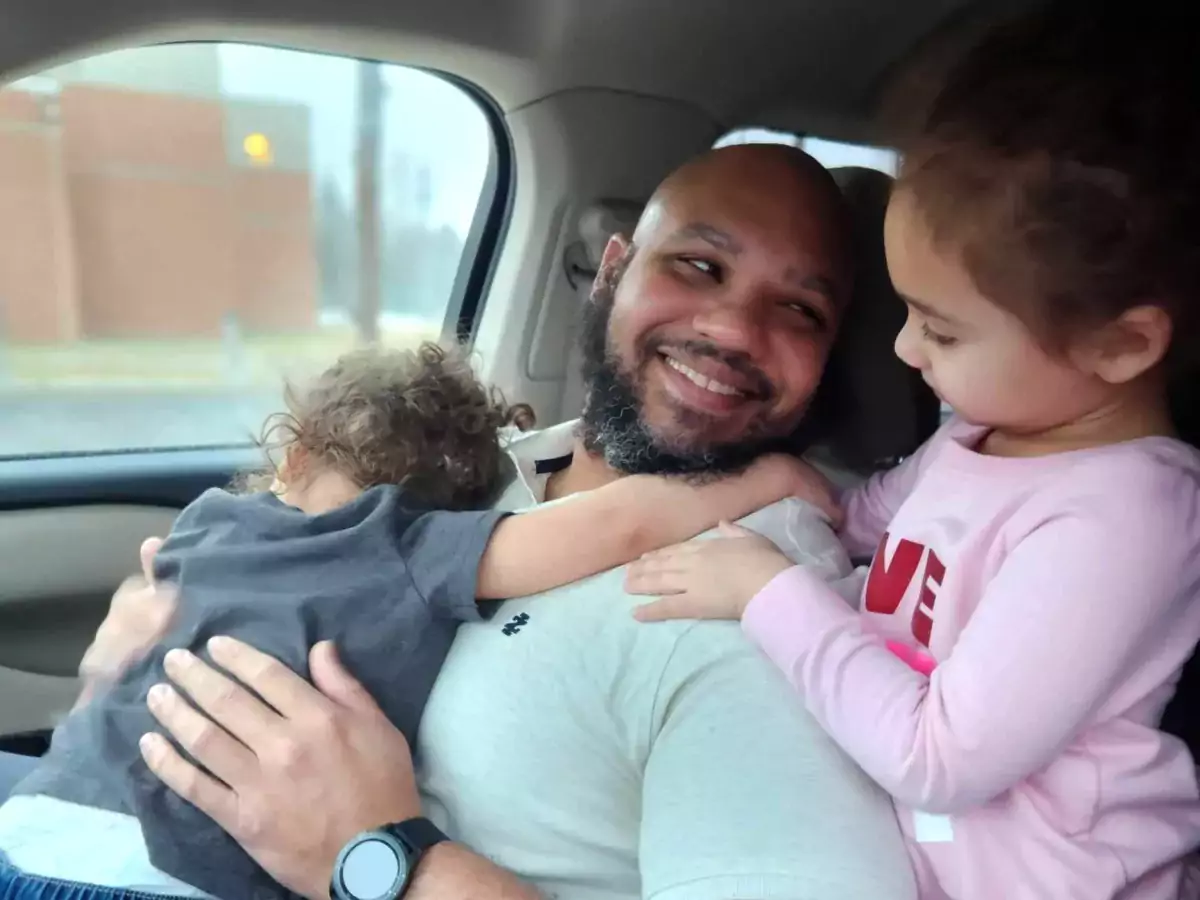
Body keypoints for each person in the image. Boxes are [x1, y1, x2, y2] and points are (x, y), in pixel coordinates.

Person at [6, 144, 923, 900]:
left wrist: (381, 861)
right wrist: (148, 656)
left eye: (797, 309)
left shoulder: (774, 628)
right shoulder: (471, 462)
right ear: (612, 273)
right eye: (699, 264)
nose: (731, 327)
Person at [623, 6, 1200, 900]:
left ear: (1119, 347)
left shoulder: (1127, 517)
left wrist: (768, 594)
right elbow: (851, 527)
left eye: (940, 329)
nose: (903, 352)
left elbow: (940, 758)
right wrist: (774, 488)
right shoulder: (976, 438)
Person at [0, 341, 832, 900]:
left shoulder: (210, 520)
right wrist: (766, 481)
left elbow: (136, 652)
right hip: (167, 877)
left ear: (292, 454)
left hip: (38, 824)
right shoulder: (410, 549)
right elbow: (618, 526)